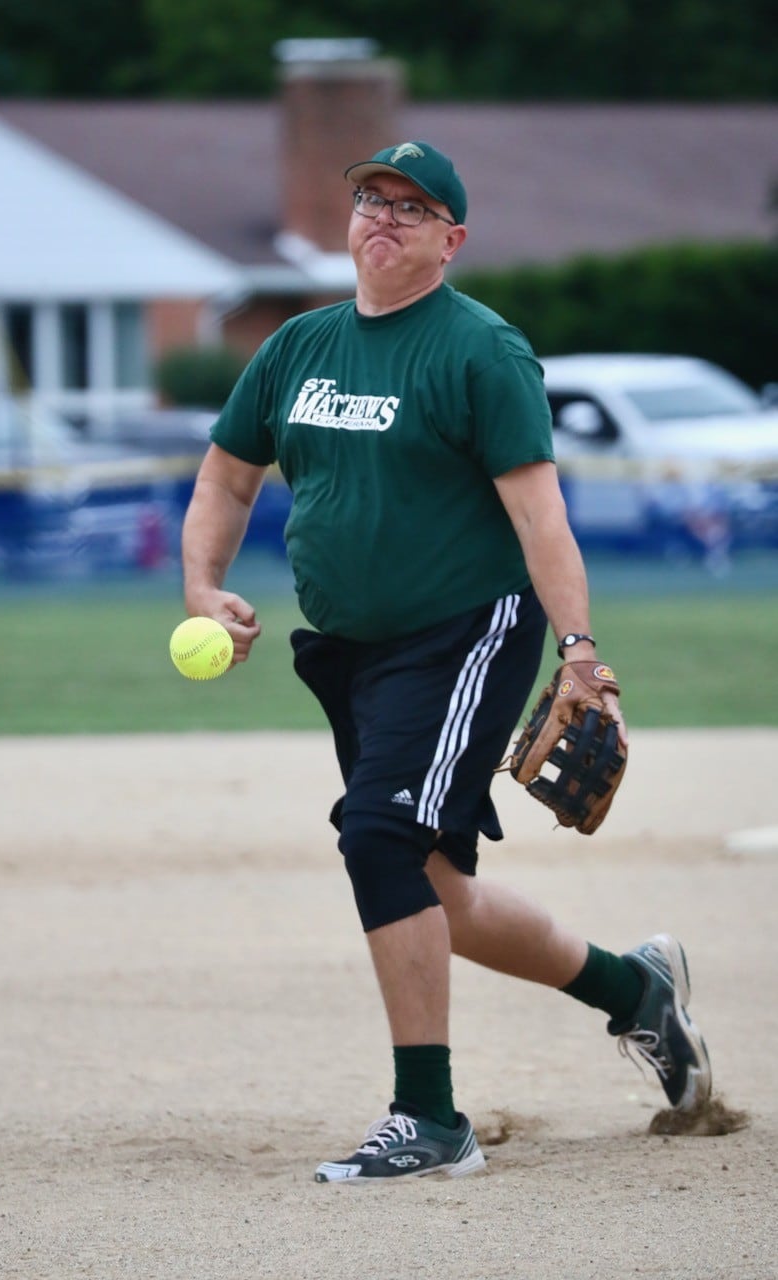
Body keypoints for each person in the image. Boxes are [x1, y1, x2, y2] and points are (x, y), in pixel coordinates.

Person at [180, 141, 712, 1183]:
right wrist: (202, 585)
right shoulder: (296, 347)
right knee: (435, 888)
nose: (383, 216)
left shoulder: (481, 351)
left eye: (412, 208)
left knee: (378, 837)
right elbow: (227, 478)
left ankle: (429, 1117)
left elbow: (538, 515)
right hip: (348, 652)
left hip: (465, 631)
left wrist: (579, 652)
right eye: (372, 199)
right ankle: (635, 991)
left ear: (450, 240)